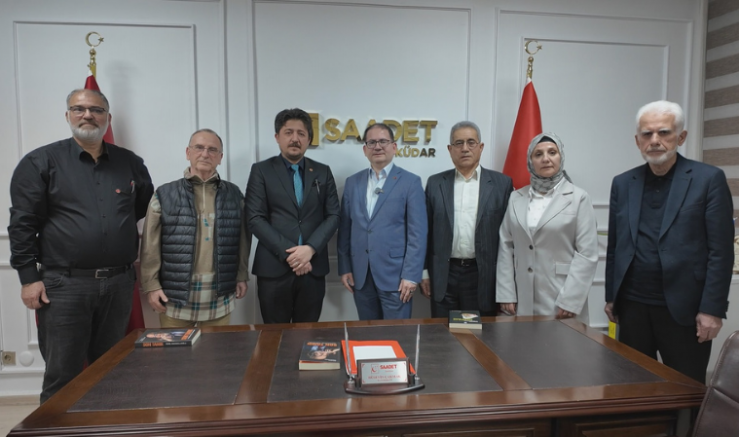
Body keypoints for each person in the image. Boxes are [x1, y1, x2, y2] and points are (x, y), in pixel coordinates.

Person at [8, 89, 154, 403]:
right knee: (63, 375)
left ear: (108, 118)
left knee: (110, 372)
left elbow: (140, 207)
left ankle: (101, 425)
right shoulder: (40, 162)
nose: (88, 115)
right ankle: (54, 427)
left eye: (96, 110)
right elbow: (22, 223)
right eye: (79, 109)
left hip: (118, 284)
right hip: (64, 286)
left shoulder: (130, 163)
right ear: (68, 115)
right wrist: (28, 278)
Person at [605, 100, 733, 383]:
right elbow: (615, 246)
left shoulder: (708, 179)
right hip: (632, 307)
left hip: (685, 310)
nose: (655, 140)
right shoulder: (623, 183)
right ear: (637, 141)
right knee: (633, 386)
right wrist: (611, 296)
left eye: (663, 132)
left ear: (681, 137)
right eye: (647, 134)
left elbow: (721, 252)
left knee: (685, 388)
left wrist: (712, 310)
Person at [139, 129, 250, 327]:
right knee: (176, 348)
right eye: (199, 147)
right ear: (188, 152)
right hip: (175, 295)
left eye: (212, 149)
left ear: (220, 157)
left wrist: (241, 275)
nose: (205, 154)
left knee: (218, 347)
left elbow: (242, 240)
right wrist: (151, 285)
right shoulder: (164, 194)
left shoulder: (234, 194)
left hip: (219, 294)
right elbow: (150, 245)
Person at [245, 108, 340, 323]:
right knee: (275, 336)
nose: (295, 139)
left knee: (307, 334)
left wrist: (310, 249)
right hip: (273, 269)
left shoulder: (322, 171)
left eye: (301, 133)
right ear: (277, 137)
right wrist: (292, 255)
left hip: (312, 268)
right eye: (288, 132)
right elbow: (255, 218)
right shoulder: (261, 170)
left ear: (309, 139)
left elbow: (333, 215)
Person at [496, 133, 598, 323]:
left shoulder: (578, 198)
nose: (545, 159)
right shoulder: (516, 197)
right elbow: (505, 246)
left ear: (561, 157)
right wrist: (506, 293)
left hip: (562, 297)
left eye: (552, 152)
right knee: (525, 341)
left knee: (563, 342)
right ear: (530, 161)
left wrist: (571, 300)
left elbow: (587, 254)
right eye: (538, 154)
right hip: (523, 296)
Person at [421, 121, 513, 317]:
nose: (465, 148)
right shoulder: (435, 183)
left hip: (482, 276)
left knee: (477, 333)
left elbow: (509, 237)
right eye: (458, 143)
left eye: (471, 142)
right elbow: (425, 232)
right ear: (450, 149)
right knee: (443, 332)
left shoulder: (501, 184)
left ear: (481, 147)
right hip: (444, 274)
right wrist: (424, 272)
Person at [337, 123, 427, 320]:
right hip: (361, 276)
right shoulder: (352, 183)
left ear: (394, 147)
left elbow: (418, 234)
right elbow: (345, 229)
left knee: (397, 334)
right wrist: (345, 267)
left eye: (383, 141)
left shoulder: (410, 182)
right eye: (371, 142)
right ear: (365, 149)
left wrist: (411, 275)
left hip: (397, 278)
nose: (377, 146)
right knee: (368, 334)